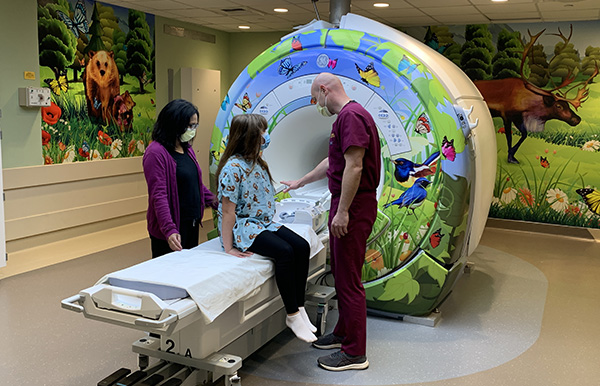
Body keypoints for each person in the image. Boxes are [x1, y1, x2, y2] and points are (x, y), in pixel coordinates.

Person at [281, 73, 381, 371]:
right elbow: (333, 162)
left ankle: (354, 354)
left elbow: (355, 166)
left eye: (315, 98)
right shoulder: (345, 118)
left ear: (325, 90)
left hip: (354, 205)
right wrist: (301, 181)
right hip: (348, 203)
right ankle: (342, 333)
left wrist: (343, 211)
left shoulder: (351, 116)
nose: (316, 104)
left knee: (348, 280)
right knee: (340, 273)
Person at [216, 114, 317, 343]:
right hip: (244, 228)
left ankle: (300, 308)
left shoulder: (259, 163)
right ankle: (291, 315)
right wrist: (229, 247)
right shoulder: (232, 168)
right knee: (285, 252)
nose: (266, 136)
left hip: (263, 222)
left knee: (301, 246)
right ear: (250, 136)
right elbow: (229, 212)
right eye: (263, 131)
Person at [143, 99, 217, 258]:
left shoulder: (187, 149)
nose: (193, 130)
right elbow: (159, 195)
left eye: (195, 126)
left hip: (191, 221)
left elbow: (194, 183)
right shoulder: (155, 153)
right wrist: (169, 229)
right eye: (190, 126)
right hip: (170, 226)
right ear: (174, 124)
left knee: (188, 269)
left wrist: (215, 201)